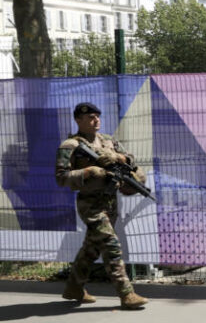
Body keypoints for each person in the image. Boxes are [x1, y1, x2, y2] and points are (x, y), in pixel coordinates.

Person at [55, 102, 149, 310]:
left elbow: (131, 160)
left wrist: (120, 157)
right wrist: (88, 172)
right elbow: (61, 178)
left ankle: (74, 288)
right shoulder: (70, 146)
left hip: (111, 202)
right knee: (110, 245)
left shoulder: (108, 141)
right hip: (90, 204)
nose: (95, 120)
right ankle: (126, 294)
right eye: (90, 117)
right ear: (78, 120)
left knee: (92, 248)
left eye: (97, 116)